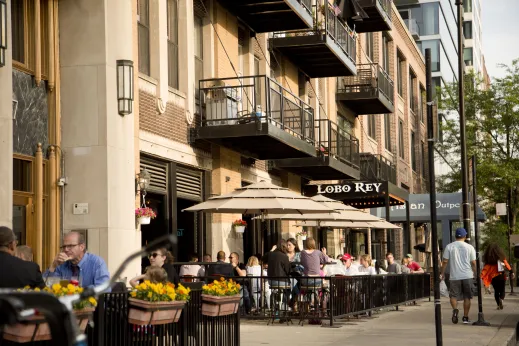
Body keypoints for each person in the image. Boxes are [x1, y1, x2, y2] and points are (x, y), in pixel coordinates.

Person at [45, 231, 109, 287]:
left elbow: (104, 288)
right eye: (64, 246)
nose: (66, 249)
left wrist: (80, 292)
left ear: (82, 247)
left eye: (70, 246)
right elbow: (46, 287)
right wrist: (53, 266)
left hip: (88, 300)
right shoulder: (61, 264)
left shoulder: (96, 262)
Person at [440, 228, 477, 324]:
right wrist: (476, 273)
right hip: (467, 275)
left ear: (455, 236)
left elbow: (445, 261)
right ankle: (465, 318)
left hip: (454, 276)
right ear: (465, 236)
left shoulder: (449, 247)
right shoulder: (470, 247)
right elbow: (473, 262)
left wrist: (442, 273)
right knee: (467, 297)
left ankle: (455, 310)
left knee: (453, 295)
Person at [481, 243, 513, 310]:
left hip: (493, 278)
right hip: (501, 276)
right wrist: (511, 272)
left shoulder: (489, 262)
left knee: (496, 291)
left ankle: (498, 304)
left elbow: (484, 270)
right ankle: (501, 299)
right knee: (502, 290)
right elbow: (507, 265)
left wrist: (481, 276)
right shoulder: (501, 258)